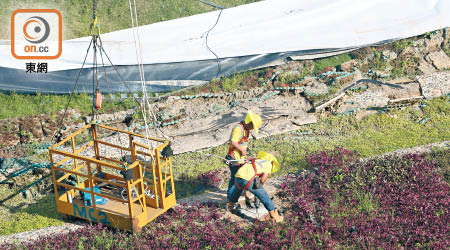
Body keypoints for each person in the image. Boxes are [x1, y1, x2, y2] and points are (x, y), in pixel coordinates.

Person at [227, 151, 284, 223]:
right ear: (271, 161)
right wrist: (259, 188)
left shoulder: (255, 160)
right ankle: (275, 216)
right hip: (248, 179)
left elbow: (248, 177)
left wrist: (248, 196)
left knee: (236, 193)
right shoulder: (268, 164)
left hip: (238, 177)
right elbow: (263, 179)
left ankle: (230, 207)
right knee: (264, 195)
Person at [226, 110, 262, 208]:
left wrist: (246, 150)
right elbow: (233, 142)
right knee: (234, 178)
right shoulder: (238, 128)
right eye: (252, 126)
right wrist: (242, 149)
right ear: (249, 122)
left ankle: (240, 196)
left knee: (243, 177)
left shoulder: (247, 129)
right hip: (234, 158)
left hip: (242, 158)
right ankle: (230, 198)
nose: (252, 128)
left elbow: (242, 142)